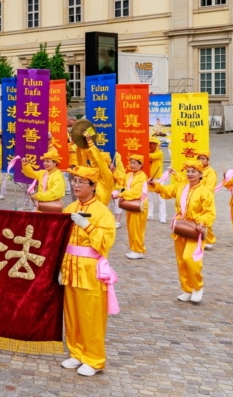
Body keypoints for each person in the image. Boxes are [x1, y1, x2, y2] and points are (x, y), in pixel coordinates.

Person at [59, 164, 117, 378]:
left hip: (90, 270)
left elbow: (106, 242)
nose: (76, 185)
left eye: (81, 182)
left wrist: (87, 225)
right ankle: (76, 352)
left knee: (91, 316)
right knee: (72, 314)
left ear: (93, 186)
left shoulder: (102, 212)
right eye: (74, 180)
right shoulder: (70, 207)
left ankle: (94, 359)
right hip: (69, 267)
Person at [148, 159, 214, 303]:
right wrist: (155, 185)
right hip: (180, 227)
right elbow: (166, 191)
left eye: (193, 171)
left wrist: (202, 222)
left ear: (200, 174)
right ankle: (187, 289)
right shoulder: (181, 187)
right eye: (188, 171)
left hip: (196, 229)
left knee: (190, 259)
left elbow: (209, 212)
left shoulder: (205, 192)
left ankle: (197, 287)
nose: (190, 174)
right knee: (181, 261)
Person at [114, 154, 149, 259]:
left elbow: (135, 192)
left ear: (141, 164)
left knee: (137, 228)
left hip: (139, 205)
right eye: (131, 162)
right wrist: (113, 172)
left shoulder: (142, 176)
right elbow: (121, 181)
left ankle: (139, 250)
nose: (132, 165)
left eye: (134, 163)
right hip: (130, 204)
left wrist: (119, 195)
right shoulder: (129, 175)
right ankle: (134, 249)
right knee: (131, 228)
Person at [146, 137, 166, 222]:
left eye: (154, 143)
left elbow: (150, 157)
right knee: (149, 198)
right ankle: (150, 215)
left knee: (161, 199)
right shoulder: (147, 152)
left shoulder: (160, 153)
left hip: (158, 179)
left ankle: (163, 217)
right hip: (148, 179)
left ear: (157, 145)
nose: (151, 145)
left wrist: (144, 152)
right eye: (150, 143)